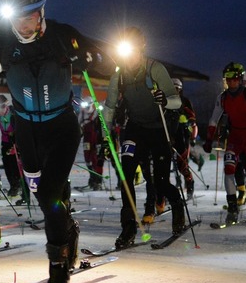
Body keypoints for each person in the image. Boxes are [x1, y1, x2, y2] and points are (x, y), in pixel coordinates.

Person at [0, 0, 111, 283]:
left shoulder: (62, 35)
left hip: (61, 127)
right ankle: (69, 229)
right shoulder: (1, 40)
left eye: (31, 16)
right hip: (27, 131)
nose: (24, 24)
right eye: (18, 17)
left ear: (42, 12)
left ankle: (59, 274)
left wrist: (91, 58)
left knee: (48, 197)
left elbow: (103, 56)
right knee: (45, 194)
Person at [104, 26, 186, 239]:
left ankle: (177, 208)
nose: (129, 58)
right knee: (126, 175)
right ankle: (128, 226)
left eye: (133, 51)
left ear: (141, 49)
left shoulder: (155, 69)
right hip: (136, 128)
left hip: (159, 128)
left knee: (160, 181)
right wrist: (106, 137)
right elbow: (110, 106)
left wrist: (165, 99)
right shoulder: (119, 75)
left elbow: (176, 102)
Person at [204, 62, 246, 225]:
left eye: (234, 79)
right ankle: (233, 207)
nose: (231, 83)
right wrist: (209, 139)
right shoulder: (223, 98)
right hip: (235, 137)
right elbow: (214, 118)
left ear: (240, 80)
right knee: (229, 169)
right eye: (228, 80)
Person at [0, 94, 22, 197]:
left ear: (4, 106)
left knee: (16, 164)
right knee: (7, 165)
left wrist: (16, 145)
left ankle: (20, 185)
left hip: (16, 141)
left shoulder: (14, 113)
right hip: (6, 141)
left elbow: (20, 129)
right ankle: (13, 186)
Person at [171, 78, 198, 199]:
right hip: (168, 135)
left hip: (182, 135)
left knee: (182, 164)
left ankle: (189, 184)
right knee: (165, 164)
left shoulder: (184, 101)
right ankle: (166, 191)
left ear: (180, 89)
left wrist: (192, 135)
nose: (174, 91)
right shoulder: (165, 101)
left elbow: (192, 118)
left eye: (176, 88)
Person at [78, 96, 105, 191]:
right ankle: (92, 178)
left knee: (96, 159)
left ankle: (98, 181)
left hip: (96, 139)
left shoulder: (97, 112)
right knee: (87, 159)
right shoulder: (82, 113)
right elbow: (78, 125)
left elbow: (103, 126)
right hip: (87, 139)